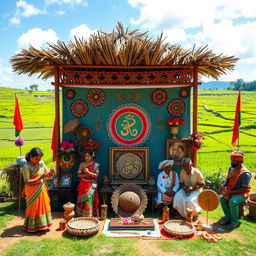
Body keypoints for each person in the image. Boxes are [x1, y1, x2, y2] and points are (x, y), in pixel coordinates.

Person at [22, 147, 55, 232]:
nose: (38, 160)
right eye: (36, 158)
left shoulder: (41, 163)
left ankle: (44, 225)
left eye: (40, 158)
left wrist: (51, 172)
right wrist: (40, 178)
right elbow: (27, 181)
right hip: (32, 191)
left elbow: (48, 175)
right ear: (31, 157)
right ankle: (32, 226)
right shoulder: (26, 167)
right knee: (33, 208)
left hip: (41, 189)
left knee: (44, 206)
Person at [219, 150, 251, 229]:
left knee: (233, 201)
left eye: (234, 161)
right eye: (231, 160)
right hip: (232, 191)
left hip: (243, 194)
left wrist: (230, 192)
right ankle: (228, 217)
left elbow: (244, 189)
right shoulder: (231, 168)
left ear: (240, 162)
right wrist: (223, 187)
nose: (232, 162)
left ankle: (235, 222)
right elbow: (228, 179)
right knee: (222, 198)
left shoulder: (245, 174)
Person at [76, 150, 100, 217]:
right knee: (82, 199)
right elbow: (78, 175)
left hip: (91, 184)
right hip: (83, 184)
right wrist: (87, 175)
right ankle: (81, 214)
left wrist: (88, 173)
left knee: (89, 199)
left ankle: (89, 215)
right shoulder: (82, 164)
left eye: (88, 156)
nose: (86, 158)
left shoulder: (95, 165)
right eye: (85, 156)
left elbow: (96, 175)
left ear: (92, 156)